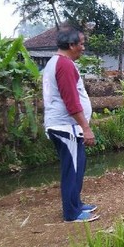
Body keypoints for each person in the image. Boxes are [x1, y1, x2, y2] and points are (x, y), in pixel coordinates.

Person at [42, 28, 99, 223]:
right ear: (71, 45)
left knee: (77, 166)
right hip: (66, 127)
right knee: (72, 169)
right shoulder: (64, 65)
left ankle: (76, 203)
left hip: (67, 127)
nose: (83, 48)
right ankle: (71, 213)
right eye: (81, 44)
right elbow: (71, 101)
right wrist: (86, 127)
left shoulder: (58, 63)